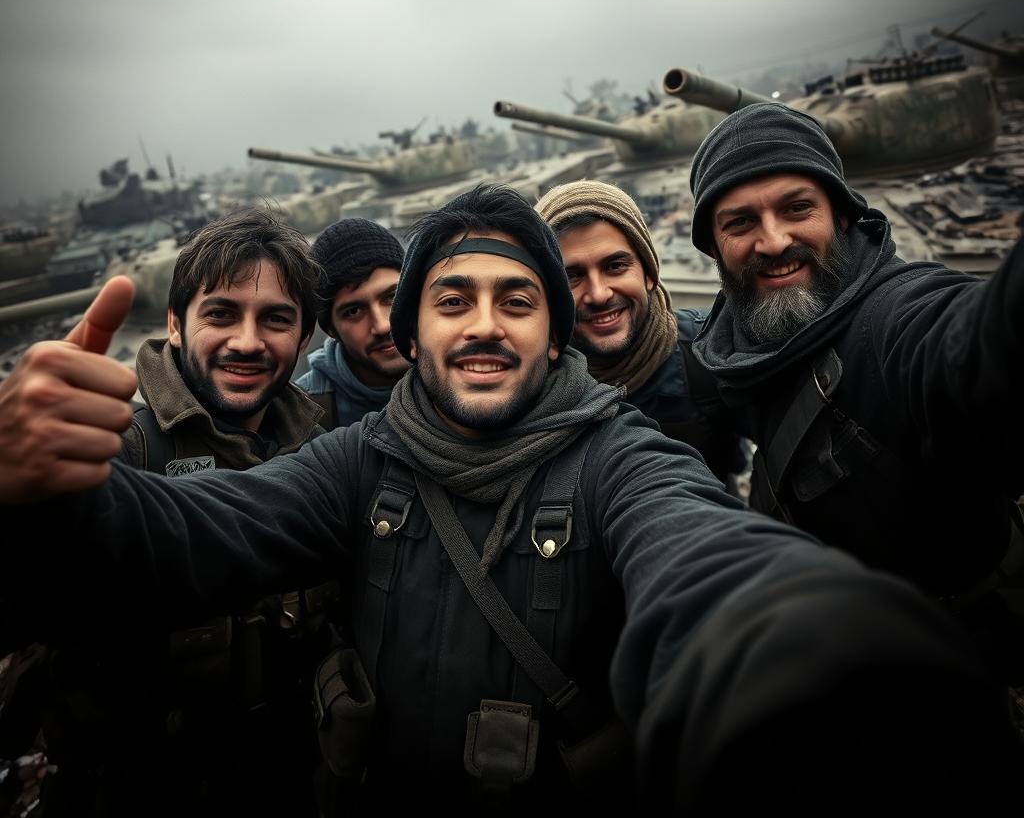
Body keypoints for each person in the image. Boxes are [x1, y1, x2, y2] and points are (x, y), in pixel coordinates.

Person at [0, 185, 1020, 811]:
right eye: (452, 298)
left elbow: (701, 550)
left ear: (554, 330)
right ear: (417, 328)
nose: (483, 324)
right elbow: (194, 533)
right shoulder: (357, 459)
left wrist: (805, 656)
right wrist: (50, 492)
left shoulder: (617, 453)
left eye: (515, 298)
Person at [685, 100, 1024, 682]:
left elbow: (969, 344)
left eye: (797, 208)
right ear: (714, 246)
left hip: (961, 661)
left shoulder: (891, 316)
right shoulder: (740, 343)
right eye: (739, 223)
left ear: (842, 215)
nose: (772, 241)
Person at [32, 207, 333, 817]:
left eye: (276, 319)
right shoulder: (118, 451)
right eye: (219, 314)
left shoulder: (326, 448)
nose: (247, 342)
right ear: (175, 324)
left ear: (305, 340)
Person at [536, 180, 742, 482]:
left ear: (648, 272)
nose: (599, 293)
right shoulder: (528, 384)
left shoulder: (711, 354)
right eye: (572, 276)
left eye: (615, 266)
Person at [296, 217, 409, 429]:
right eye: (354, 311)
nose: (383, 326)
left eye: (392, 298)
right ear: (331, 330)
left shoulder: (460, 369)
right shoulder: (303, 415)